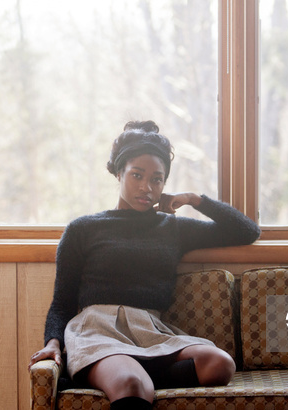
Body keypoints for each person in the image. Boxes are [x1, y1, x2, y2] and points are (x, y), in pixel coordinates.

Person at [29, 120, 260, 410]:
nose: (146, 187)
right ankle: (119, 377)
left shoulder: (172, 228)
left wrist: (193, 199)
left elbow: (247, 231)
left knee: (220, 364)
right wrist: (52, 342)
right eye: (137, 175)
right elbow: (62, 302)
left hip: (149, 331)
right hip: (96, 330)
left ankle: (107, 377)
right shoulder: (83, 228)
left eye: (157, 179)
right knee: (133, 384)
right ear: (118, 172)